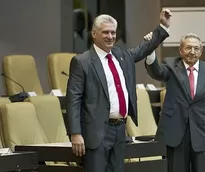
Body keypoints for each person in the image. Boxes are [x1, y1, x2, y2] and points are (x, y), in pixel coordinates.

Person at [66, 9, 172, 172]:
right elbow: (73, 99)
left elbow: (142, 49)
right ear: (94, 34)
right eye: (105, 32)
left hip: (120, 130)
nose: (110, 36)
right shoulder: (82, 62)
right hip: (96, 133)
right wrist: (75, 133)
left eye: (113, 32)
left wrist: (162, 27)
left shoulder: (121, 55)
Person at [144, 33, 205, 172]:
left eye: (196, 48)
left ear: (201, 51)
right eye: (188, 48)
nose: (192, 52)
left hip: (202, 132)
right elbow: (156, 72)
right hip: (177, 133)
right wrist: (150, 49)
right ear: (181, 50)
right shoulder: (170, 65)